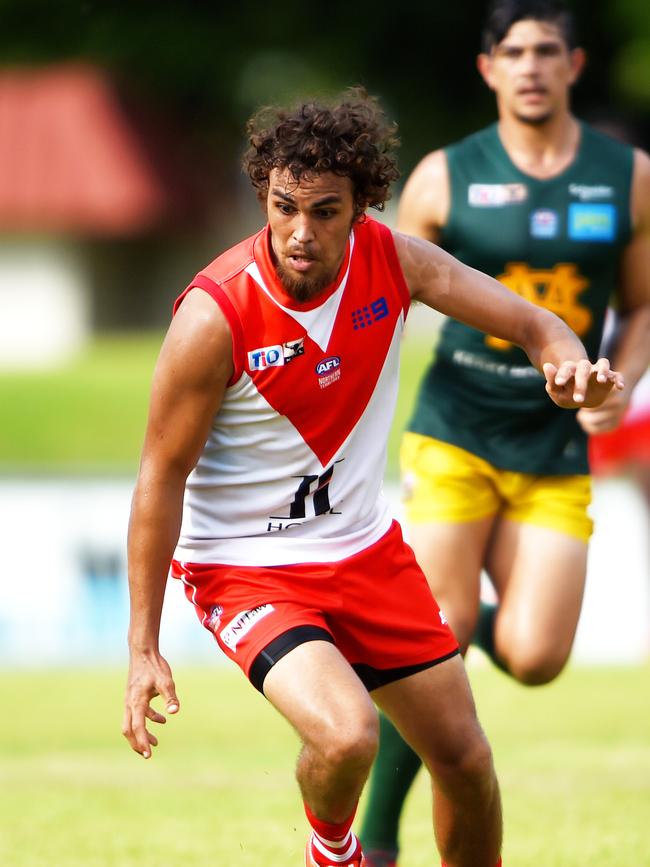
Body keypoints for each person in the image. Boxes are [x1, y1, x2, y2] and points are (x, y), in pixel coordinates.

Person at [121, 87, 623, 867]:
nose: (299, 232)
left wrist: (564, 365)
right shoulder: (214, 315)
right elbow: (160, 474)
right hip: (249, 571)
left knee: (467, 760)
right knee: (347, 732)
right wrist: (143, 644)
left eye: (325, 211)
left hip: (365, 555)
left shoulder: (394, 259)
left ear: (363, 208)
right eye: (284, 206)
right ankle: (338, 853)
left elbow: (532, 322)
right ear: (264, 195)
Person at [359, 2, 650, 865]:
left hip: (555, 445)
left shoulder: (627, 175)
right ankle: (376, 836)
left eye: (546, 51)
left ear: (574, 64)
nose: (529, 66)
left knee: (534, 655)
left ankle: (455, 627)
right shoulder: (444, 178)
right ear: (488, 69)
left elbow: (641, 307)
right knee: (434, 633)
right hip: (454, 428)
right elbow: (384, 304)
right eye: (512, 52)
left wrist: (618, 388)